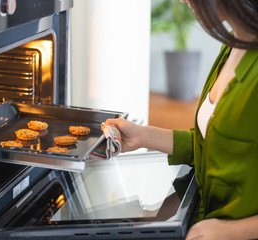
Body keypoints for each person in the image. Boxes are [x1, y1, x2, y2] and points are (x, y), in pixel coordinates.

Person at [104, 0, 258, 239]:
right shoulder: (232, 46)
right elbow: (213, 145)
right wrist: (143, 136)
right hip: (200, 218)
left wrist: (231, 231)